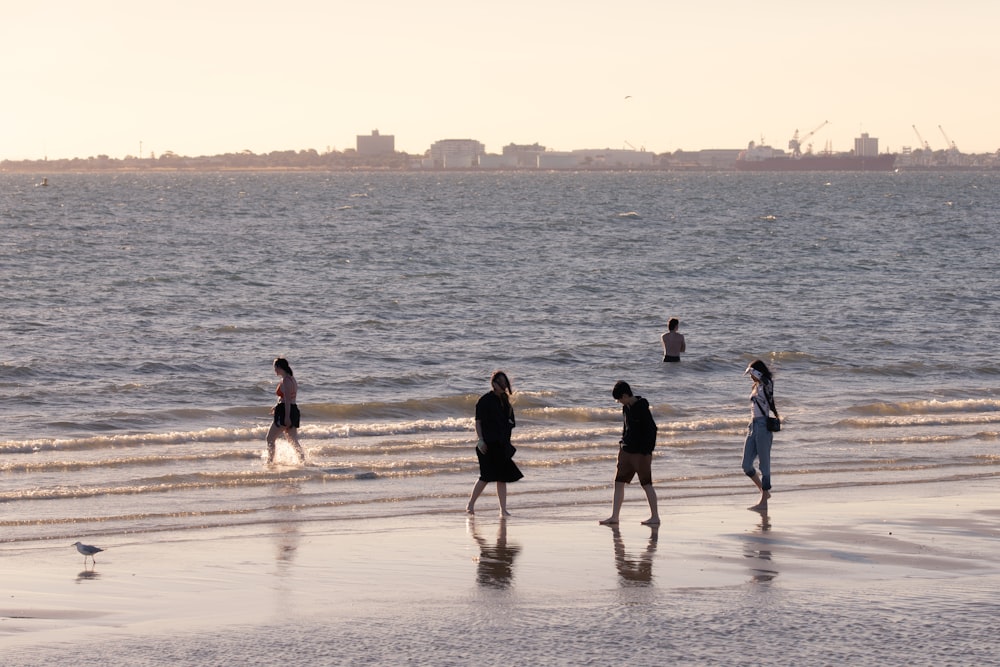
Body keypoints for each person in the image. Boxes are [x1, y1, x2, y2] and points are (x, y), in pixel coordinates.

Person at [600, 381, 660, 526]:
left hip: (641, 453)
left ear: (626, 395)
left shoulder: (641, 407)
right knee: (618, 482)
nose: (619, 402)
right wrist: (622, 443)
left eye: (620, 399)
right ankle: (614, 517)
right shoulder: (625, 408)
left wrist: (647, 451)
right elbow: (626, 428)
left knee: (646, 484)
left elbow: (652, 430)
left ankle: (655, 517)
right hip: (626, 450)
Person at [466, 371, 523, 516]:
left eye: (505, 382)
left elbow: (509, 423)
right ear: (494, 383)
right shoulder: (485, 400)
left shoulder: (505, 401)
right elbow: (478, 422)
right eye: (501, 382)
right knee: (485, 476)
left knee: (502, 478)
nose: (504, 385)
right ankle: (470, 505)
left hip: (501, 445)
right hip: (487, 444)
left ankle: (503, 510)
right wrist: (480, 440)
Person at [742, 359, 778, 510]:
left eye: (752, 373)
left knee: (764, 465)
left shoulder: (767, 385)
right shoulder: (755, 386)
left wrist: (755, 371)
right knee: (746, 465)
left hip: (763, 426)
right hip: (753, 425)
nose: (750, 376)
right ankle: (764, 492)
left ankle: (764, 501)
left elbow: (767, 380)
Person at [266, 357, 306, 465]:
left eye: (275, 367)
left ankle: (270, 462)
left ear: (279, 367)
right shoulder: (291, 379)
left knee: (270, 438)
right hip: (292, 410)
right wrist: (276, 405)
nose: (274, 370)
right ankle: (302, 462)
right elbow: (288, 398)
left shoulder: (286, 381)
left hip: (286, 411)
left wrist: (287, 417)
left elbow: (288, 400)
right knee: (292, 440)